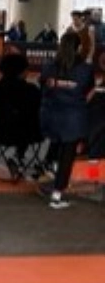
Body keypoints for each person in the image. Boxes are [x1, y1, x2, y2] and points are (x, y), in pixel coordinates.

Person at [38, 30, 94, 210]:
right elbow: (89, 93)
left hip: (49, 116)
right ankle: (57, 195)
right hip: (72, 118)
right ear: (78, 47)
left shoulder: (48, 66)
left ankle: (49, 171)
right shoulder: (85, 69)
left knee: (56, 145)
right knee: (67, 156)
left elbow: (42, 86)